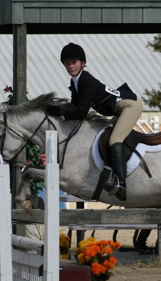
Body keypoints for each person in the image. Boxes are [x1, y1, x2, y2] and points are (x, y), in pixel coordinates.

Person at [46, 42, 143, 201]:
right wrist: (54, 109)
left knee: (114, 139)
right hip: (119, 108)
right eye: (67, 63)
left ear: (82, 63)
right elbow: (74, 106)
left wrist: (61, 112)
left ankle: (121, 184)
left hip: (130, 105)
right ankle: (110, 173)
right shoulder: (76, 82)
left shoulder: (86, 80)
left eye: (74, 62)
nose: (71, 66)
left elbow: (81, 112)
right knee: (105, 138)